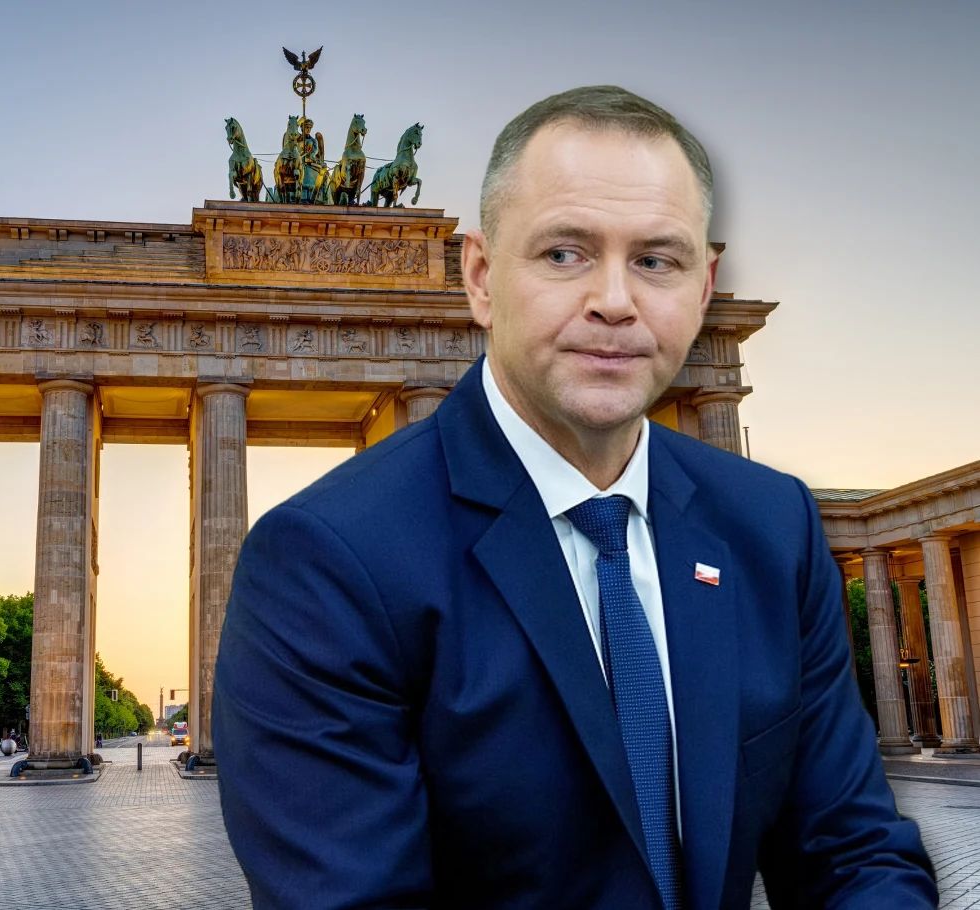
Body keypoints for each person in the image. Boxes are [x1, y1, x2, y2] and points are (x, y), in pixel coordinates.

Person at [213, 86, 936, 909]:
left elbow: (854, 853)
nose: (615, 301)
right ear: (481, 278)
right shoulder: (323, 564)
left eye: (656, 260)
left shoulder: (773, 528)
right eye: (564, 253)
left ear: (703, 287)